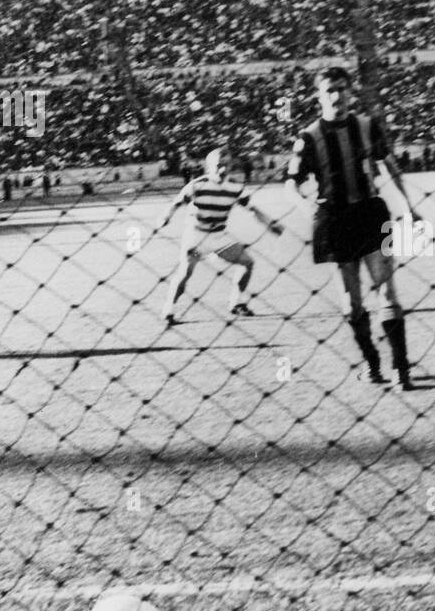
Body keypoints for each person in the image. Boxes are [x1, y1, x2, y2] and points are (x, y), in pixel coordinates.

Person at [286, 66, 419, 390]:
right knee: (351, 301)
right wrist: (309, 211)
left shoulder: (367, 126)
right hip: (334, 220)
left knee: (387, 291)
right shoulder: (308, 138)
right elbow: (291, 184)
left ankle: (400, 369)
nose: (337, 95)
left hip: (372, 214)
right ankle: (373, 364)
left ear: (350, 91)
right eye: (330, 89)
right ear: (318, 96)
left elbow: (390, 165)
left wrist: (409, 207)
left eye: (342, 88)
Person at [155, 147, 283, 324]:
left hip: (219, 236)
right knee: (185, 273)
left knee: (247, 263)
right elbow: (176, 203)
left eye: (228, 164)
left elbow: (252, 209)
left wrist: (269, 224)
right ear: (209, 167)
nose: (223, 168)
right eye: (219, 165)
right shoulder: (197, 185)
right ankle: (168, 310)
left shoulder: (236, 187)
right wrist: (165, 217)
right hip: (196, 235)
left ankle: (236, 304)